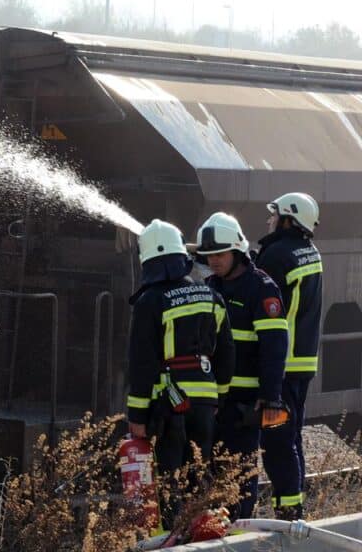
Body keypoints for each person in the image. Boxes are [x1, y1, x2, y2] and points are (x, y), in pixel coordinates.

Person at [126, 219, 234, 530]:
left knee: (168, 479)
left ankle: (169, 539)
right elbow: (227, 352)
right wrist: (219, 395)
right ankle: (204, 534)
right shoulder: (210, 295)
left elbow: (142, 363)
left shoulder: (150, 301)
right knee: (199, 474)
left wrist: (137, 415)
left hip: (168, 405)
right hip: (204, 404)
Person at [196, 212, 297, 519]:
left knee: (239, 477)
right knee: (210, 474)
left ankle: (240, 531)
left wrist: (269, 398)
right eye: (209, 255)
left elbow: (274, 348)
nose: (214, 261)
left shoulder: (261, 288)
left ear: (237, 250)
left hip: (243, 405)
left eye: (220, 254)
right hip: (213, 401)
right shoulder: (211, 285)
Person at [254, 193, 323, 520]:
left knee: (277, 439)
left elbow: (257, 288)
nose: (269, 221)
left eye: (274, 215)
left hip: (280, 368)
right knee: (290, 437)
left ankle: (289, 513)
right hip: (302, 364)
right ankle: (293, 505)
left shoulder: (278, 254)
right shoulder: (309, 252)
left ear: (287, 219)